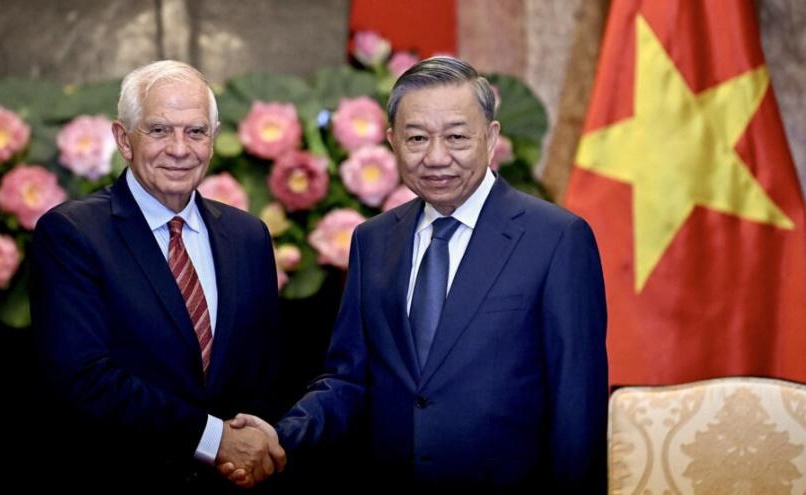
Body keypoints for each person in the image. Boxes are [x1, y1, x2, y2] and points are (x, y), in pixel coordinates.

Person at [226, 56, 608, 491]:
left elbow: (577, 406)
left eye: (457, 137)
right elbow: (350, 378)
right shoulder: (373, 240)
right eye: (417, 138)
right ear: (391, 141)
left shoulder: (556, 238)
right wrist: (280, 435)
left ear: (491, 137)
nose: (436, 157)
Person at [30, 60, 285, 490]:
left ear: (214, 139)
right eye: (160, 130)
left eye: (196, 131)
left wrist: (255, 445)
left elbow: (265, 370)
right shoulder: (72, 234)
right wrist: (215, 439)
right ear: (123, 139)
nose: (180, 148)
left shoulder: (248, 236)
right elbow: (83, 379)